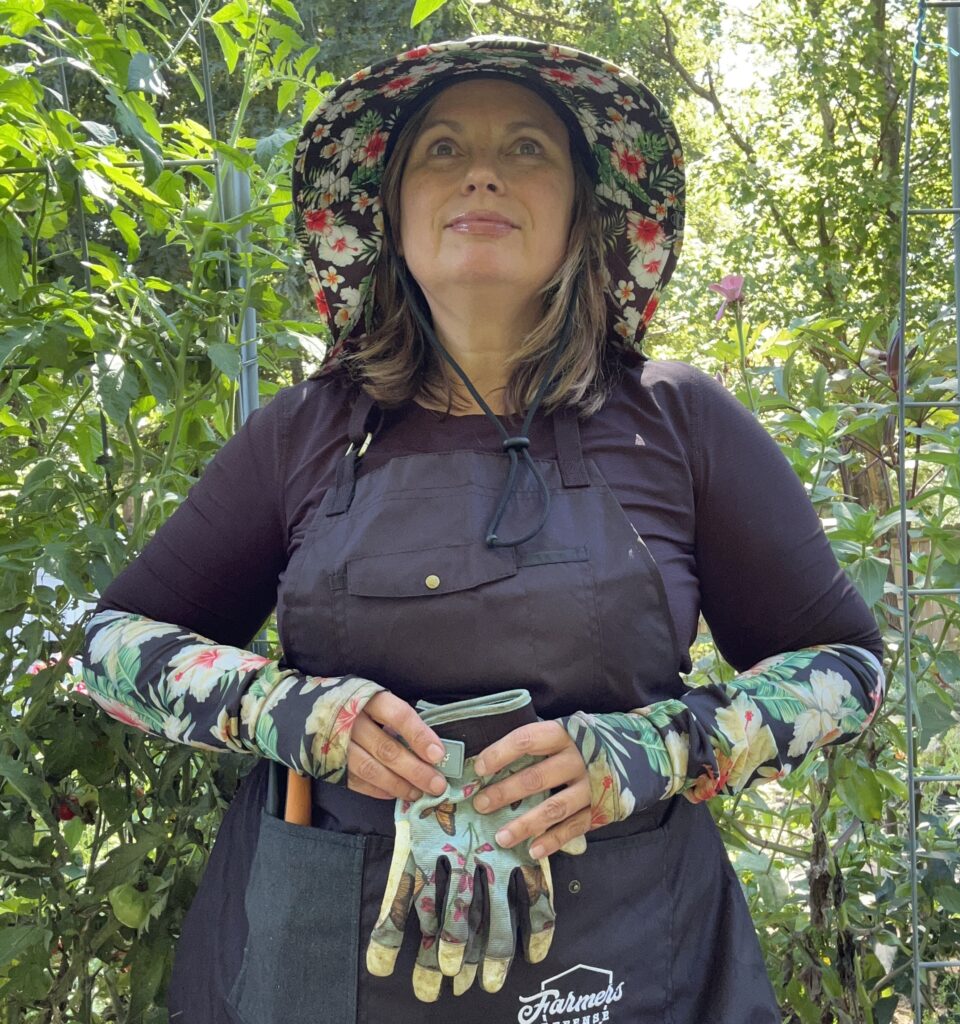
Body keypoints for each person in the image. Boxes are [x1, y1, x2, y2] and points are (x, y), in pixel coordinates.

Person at [79, 36, 886, 1024]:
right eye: (443, 150)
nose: (485, 172)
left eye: (529, 149)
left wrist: (663, 747)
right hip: (333, 968)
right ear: (391, 213)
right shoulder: (306, 431)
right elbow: (109, 647)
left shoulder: (678, 422)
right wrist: (294, 713)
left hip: (629, 963)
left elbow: (848, 667)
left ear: (587, 214)